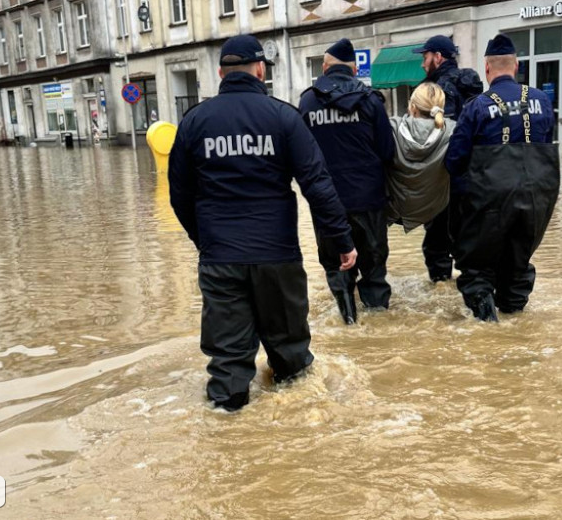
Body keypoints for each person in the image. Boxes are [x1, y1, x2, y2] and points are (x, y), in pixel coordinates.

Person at [169, 35, 358, 411]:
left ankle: (226, 432)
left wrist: (206, 241)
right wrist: (342, 240)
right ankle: (299, 444)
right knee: (292, 363)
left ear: (221, 73)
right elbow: (317, 186)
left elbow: (180, 196)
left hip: (220, 258)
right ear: (260, 70)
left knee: (228, 367)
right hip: (277, 256)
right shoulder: (284, 117)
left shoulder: (194, 122)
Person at [444, 33, 560, 321]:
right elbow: (547, 145)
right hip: (537, 199)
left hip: (489, 201)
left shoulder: (477, 106)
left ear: (487, 69)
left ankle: (489, 334)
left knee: (477, 268)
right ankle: (516, 329)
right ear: (516, 66)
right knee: (518, 265)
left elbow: (454, 161)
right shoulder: (542, 102)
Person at [299, 38, 395, 324]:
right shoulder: (370, 100)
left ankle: (348, 321)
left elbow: (302, 157)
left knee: (337, 266)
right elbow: (388, 152)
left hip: (327, 203)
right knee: (374, 268)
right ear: (354, 70)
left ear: (325, 68)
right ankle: (379, 328)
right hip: (369, 201)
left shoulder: (307, 101)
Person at [412, 35, 484, 282]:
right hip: (474, 180)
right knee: (468, 242)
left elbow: (440, 138)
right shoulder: (472, 88)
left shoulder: (437, 90)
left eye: (425, 57)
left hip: (443, 181)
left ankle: (440, 292)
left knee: (437, 245)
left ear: (438, 57)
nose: (423, 63)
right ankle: (472, 291)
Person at [386, 82, 456, 232]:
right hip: (437, 208)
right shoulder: (453, 131)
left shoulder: (391, 127)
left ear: (413, 106)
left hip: (396, 209)